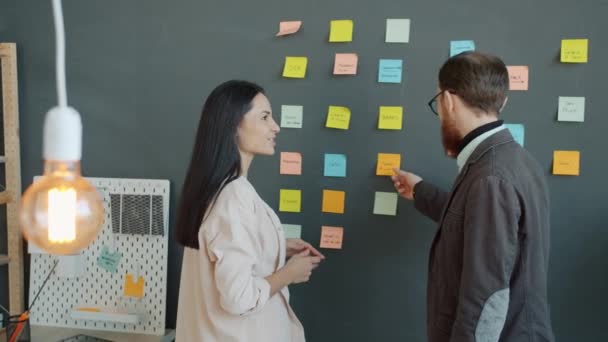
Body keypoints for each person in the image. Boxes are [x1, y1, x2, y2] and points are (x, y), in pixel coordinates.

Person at [392, 52, 554, 342]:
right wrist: (420, 191)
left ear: (448, 100)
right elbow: (478, 225)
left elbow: (486, 296)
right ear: (501, 101)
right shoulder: (514, 160)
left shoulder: (491, 177)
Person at [175, 80, 324, 342]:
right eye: (265, 117)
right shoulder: (234, 196)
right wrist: (289, 273)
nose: (275, 127)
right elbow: (239, 298)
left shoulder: (214, 189)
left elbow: (221, 252)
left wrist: (276, 245)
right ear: (234, 125)